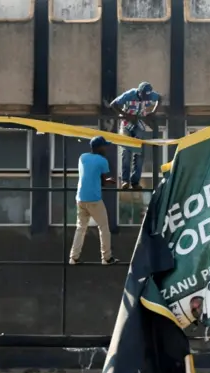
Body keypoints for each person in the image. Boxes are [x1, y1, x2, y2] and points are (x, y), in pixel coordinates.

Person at [69, 136, 119, 265]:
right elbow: (102, 181)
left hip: (80, 197)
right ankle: (106, 258)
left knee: (80, 228)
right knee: (103, 227)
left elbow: (89, 174)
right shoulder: (102, 160)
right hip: (94, 199)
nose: (106, 148)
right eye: (104, 146)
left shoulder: (82, 157)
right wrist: (108, 181)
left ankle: (73, 257)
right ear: (99, 147)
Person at [110, 81, 161, 190]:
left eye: (147, 96)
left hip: (139, 124)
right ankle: (125, 180)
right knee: (126, 152)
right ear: (139, 92)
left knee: (139, 154)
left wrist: (153, 112)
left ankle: (135, 182)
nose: (145, 98)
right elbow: (113, 104)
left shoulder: (150, 95)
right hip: (126, 124)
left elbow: (159, 98)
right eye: (144, 96)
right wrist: (126, 115)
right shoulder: (129, 95)